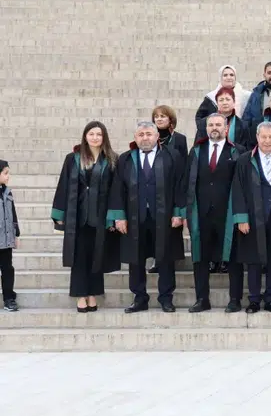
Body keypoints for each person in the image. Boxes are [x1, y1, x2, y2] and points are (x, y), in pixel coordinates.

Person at [108, 122, 184, 314]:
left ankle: (166, 298)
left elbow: (180, 186)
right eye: (141, 134)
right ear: (135, 138)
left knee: (166, 258)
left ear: (157, 136)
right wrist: (119, 217)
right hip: (135, 218)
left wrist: (178, 212)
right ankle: (139, 297)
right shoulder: (125, 159)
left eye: (149, 134)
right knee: (135, 259)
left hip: (165, 217)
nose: (145, 138)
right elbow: (117, 189)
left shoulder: (172, 156)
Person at [52, 122, 120, 313]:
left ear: (104, 137)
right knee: (79, 257)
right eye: (91, 134)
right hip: (77, 216)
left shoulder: (112, 160)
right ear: (85, 136)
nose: (95, 137)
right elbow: (63, 186)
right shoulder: (72, 159)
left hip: (100, 217)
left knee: (97, 257)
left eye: (99, 134)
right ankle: (81, 296)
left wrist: (114, 217)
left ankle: (93, 294)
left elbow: (116, 191)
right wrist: (59, 215)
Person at [185, 113, 242, 312]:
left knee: (234, 258)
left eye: (218, 124)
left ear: (226, 128)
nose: (214, 128)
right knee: (200, 258)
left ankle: (235, 299)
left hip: (228, 213)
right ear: (206, 128)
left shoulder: (237, 151)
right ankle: (202, 299)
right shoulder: (197, 151)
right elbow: (188, 181)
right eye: (211, 125)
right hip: (201, 213)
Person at [230, 122, 271, 313]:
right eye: (263, 137)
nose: (267, 141)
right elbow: (237, 190)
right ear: (257, 137)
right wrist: (241, 218)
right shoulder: (245, 161)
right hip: (253, 218)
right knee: (254, 260)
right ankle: (254, 299)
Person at [195, 65, 250, 130]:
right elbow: (199, 117)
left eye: (232, 75)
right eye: (225, 75)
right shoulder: (211, 97)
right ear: (220, 78)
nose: (229, 77)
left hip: (240, 133)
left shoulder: (247, 96)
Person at [0, 161, 16, 311]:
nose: (8, 176)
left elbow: (13, 214)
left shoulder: (8, 192)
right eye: (5, 173)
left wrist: (16, 233)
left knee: (7, 269)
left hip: (6, 240)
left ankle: (9, 298)